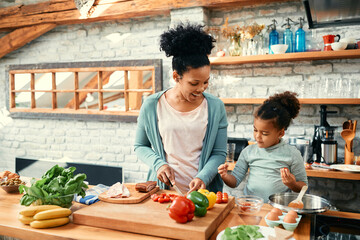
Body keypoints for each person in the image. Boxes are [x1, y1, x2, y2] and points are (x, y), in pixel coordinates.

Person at [134, 23, 228, 194]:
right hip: (165, 193)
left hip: (204, 194)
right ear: (176, 76)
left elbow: (219, 152)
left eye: (206, 81)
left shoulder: (215, 106)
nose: (201, 88)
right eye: (194, 83)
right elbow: (140, 146)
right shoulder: (152, 105)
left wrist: (204, 177)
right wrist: (158, 164)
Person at [218, 91, 308, 202]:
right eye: (255, 130)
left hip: (277, 208)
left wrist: (292, 184)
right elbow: (234, 181)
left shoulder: (292, 154)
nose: (257, 136)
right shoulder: (248, 152)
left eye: (264, 133)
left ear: (280, 133)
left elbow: (303, 186)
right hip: (251, 206)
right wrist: (225, 175)